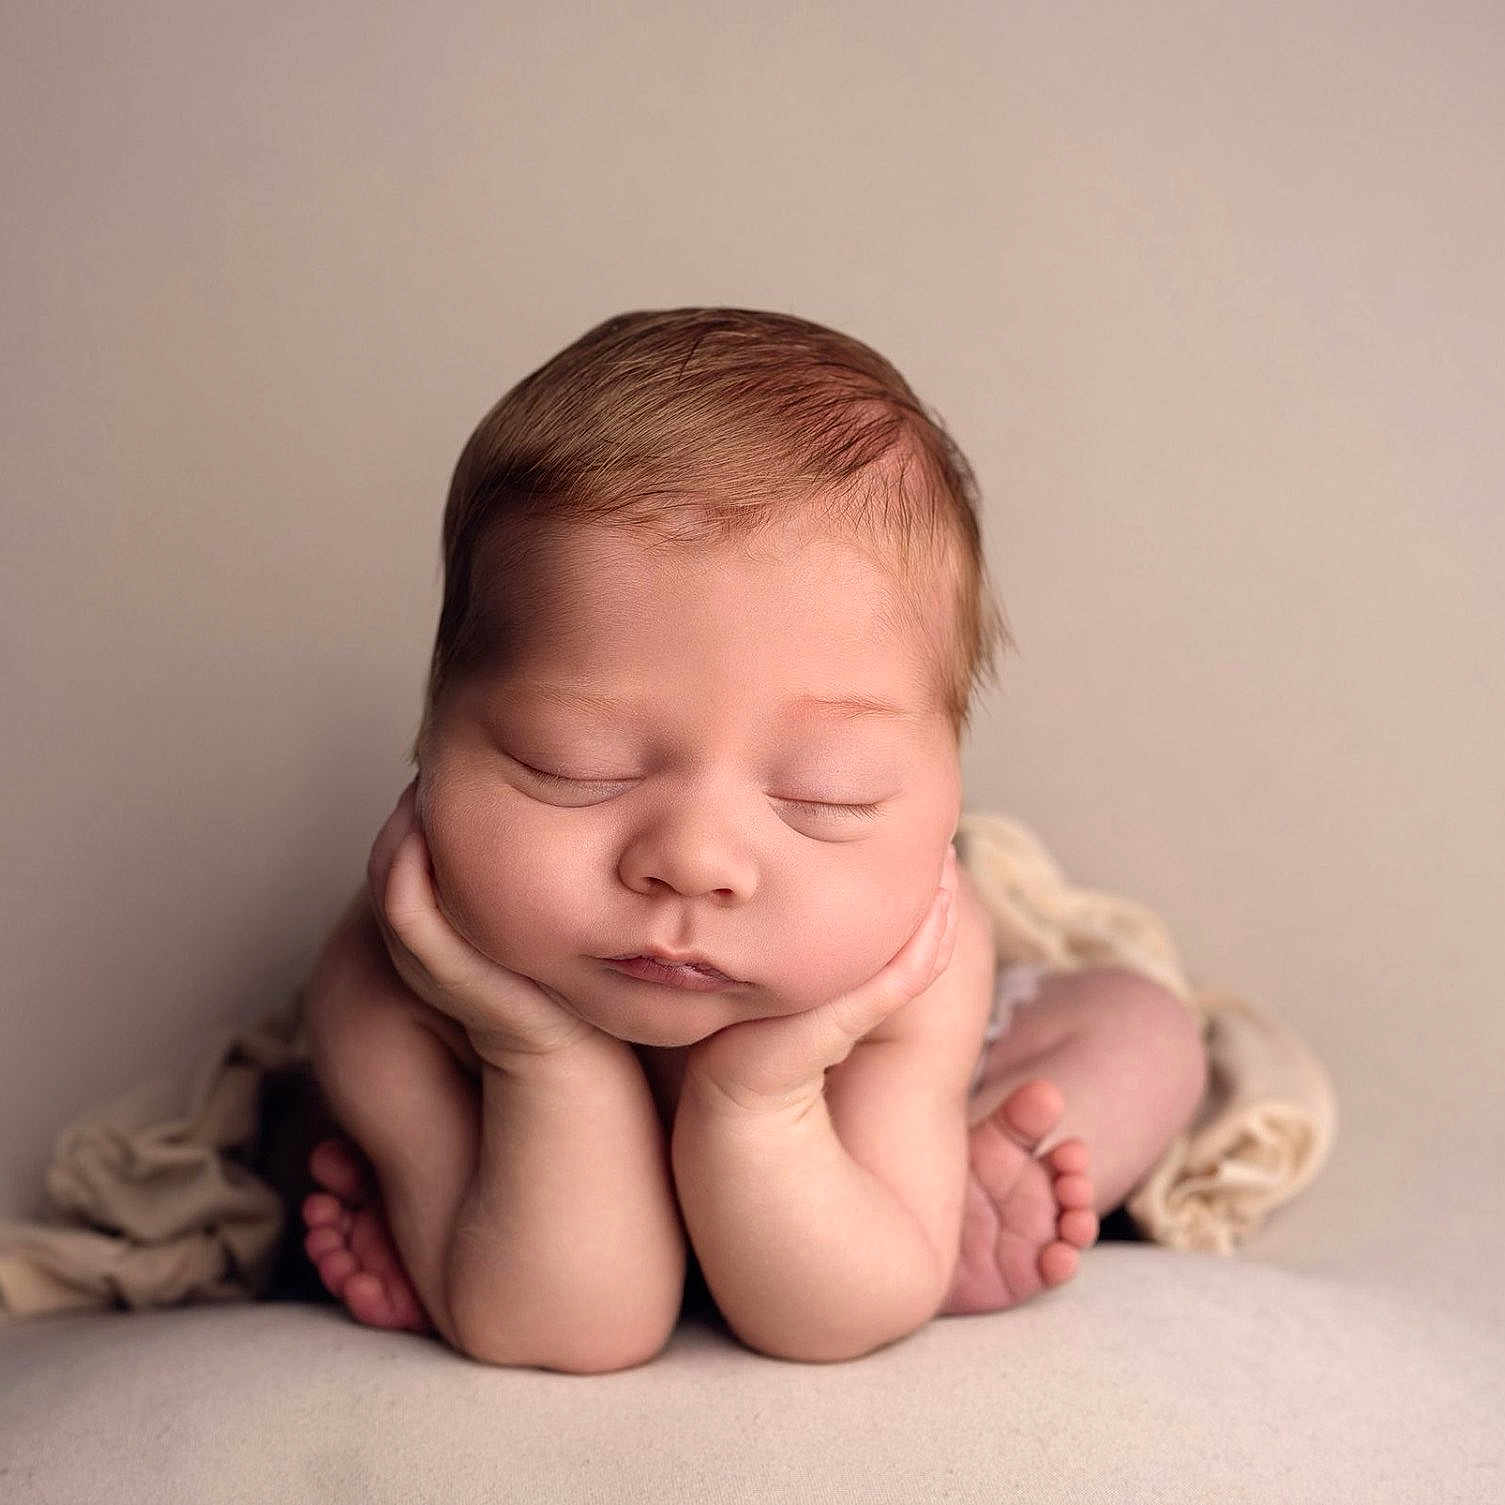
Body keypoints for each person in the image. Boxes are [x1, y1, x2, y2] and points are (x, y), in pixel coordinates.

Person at [298, 307, 1207, 1372]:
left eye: (828, 794)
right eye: (573, 763)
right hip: (529, 1189)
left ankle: (938, 1204)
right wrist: (536, 1051)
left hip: (849, 1127)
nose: (692, 860)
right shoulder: (390, 987)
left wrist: (759, 1097)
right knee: (315, 1142)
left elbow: (828, 1323)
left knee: (1144, 1033)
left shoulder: (911, 960)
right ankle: (477, 1234)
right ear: (431, 740)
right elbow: (573, 1332)